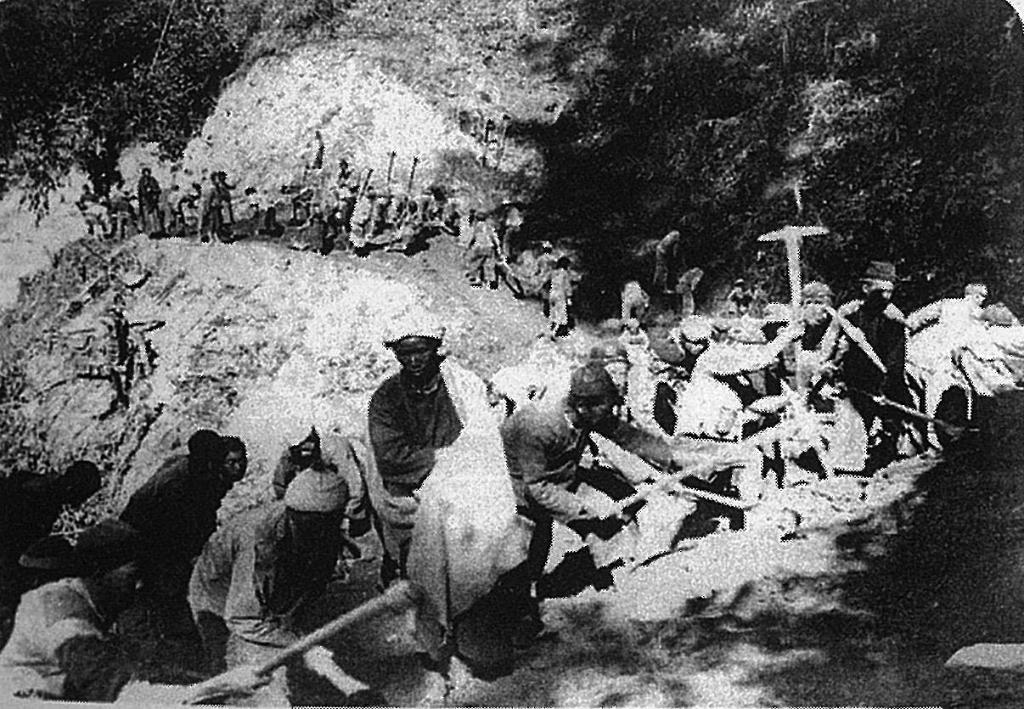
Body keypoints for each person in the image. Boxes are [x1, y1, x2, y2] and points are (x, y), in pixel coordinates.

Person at [498, 362, 734, 644]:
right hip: (520, 492)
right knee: (529, 552)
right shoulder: (538, 426)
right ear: (582, 406)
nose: (609, 414)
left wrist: (675, 458)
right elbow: (537, 487)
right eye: (605, 407)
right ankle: (517, 614)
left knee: (610, 524)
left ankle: (617, 582)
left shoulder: (587, 413)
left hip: (561, 477)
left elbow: (629, 437)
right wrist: (584, 509)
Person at [0, 520, 269, 704]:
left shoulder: (89, 603)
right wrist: (217, 686)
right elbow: (120, 693)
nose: (140, 585)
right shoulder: (63, 617)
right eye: (132, 575)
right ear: (98, 571)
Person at [188, 469, 369, 704]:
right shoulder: (258, 539)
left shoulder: (318, 527)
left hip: (264, 594)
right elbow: (244, 619)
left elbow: (310, 584)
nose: (318, 534)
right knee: (236, 679)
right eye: (309, 526)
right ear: (291, 515)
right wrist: (302, 644)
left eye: (326, 525)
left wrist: (298, 637)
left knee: (293, 651)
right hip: (217, 598)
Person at [119, 430, 241, 638]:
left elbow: (205, 512)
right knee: (165, 584)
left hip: (154, 529)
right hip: (144, 532)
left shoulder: (197, 470)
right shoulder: (179, 482)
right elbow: (171, 527)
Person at [821, 260, 911, 471]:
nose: (886, 297)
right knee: (851, 424)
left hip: (883, 382)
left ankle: (887, 457)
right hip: (852, 380)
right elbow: (829, 343)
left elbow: (896, 359)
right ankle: (847, 465)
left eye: (890, 292)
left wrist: (886, 387)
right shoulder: (849, 313)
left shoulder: (893, 318)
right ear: (865, 288)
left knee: (888, 427)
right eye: (881, 291)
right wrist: (826, 366)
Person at [0, 462, 102, 631]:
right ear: (73, 487)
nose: (79, 502)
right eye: (82, 495)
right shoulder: (45, 502)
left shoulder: (38, 483)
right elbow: (20, 555)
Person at [543, 256, 575, 339]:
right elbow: (567, 286)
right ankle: (556, 332)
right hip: (560, 295)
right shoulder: (565, 274)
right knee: (561, 313)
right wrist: (569, 296)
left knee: (553, 312)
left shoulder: (553, 272)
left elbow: (547, 282)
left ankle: (551, 328)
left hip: (552, 294)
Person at [653, 229, 682, 294]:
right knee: (663, 269)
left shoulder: (674, 233)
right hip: (662, 252)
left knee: (661, 269)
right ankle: (662, 288)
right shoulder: (676, 236)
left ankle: (658, 285)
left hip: (661, 250)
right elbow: (674, 251)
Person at [137, 168, 162, 235]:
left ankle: (157, 230)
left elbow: (158, 189)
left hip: (153, 200)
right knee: (147, 216)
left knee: (155, 215)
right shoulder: (141, 181)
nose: (146, 174)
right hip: (145, 201)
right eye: (145, 173)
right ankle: (150, 231)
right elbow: (141, 192)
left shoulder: (153, 180)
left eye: (147, 173)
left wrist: (153, 191)